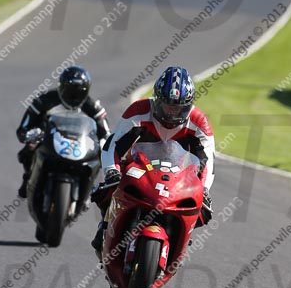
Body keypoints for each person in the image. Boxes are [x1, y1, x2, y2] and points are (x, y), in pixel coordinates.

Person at [91, 65, 214, 257]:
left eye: (178, 108)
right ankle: (106, 226)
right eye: (167, 106)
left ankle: (179, 239)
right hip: (140, 169)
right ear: (157, 100)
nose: (172, 113)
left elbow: (207, 162)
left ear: (188, 105)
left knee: (200, 209)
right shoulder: (138, 110)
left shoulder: (199, 122)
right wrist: (111, 171)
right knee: (107, 189)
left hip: (177, 179)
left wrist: (204, 189)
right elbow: (112, 146)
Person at [16, 65, 110, 198]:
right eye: (69, 92)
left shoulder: (92, 106)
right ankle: (28, 178)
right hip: (50, 139)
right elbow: (23, 128)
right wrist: (29, 134)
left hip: (80, 143)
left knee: (101, 156)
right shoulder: (44, 100)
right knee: (28, 150)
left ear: (86, 92)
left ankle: (89, 190)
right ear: (61, 87)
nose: (73, 97)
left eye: (78, 93)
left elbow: (106, 132)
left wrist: (103, 143)